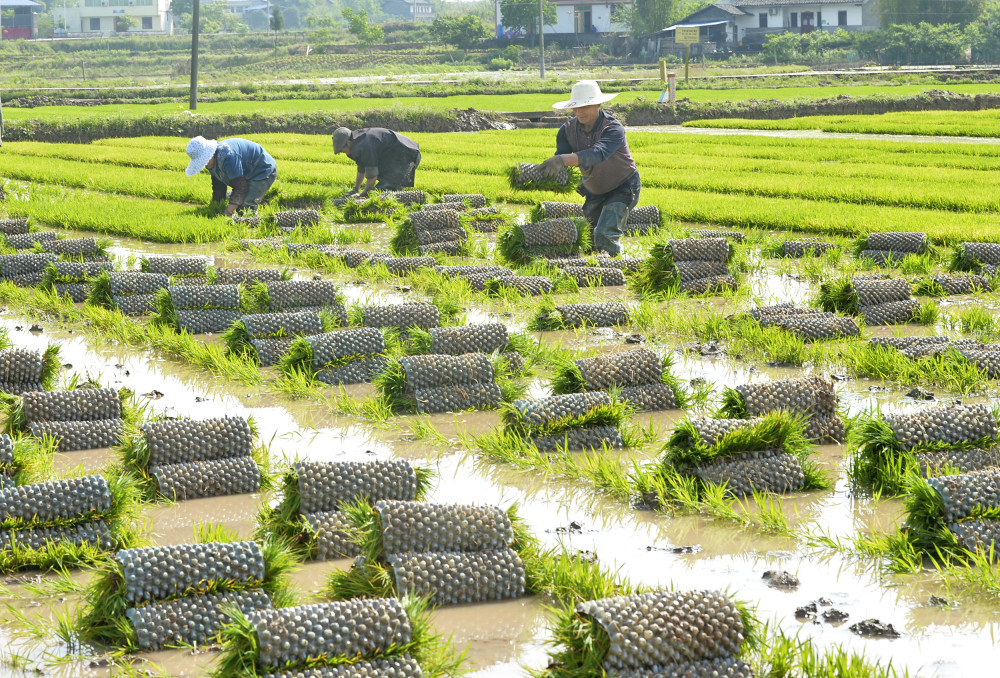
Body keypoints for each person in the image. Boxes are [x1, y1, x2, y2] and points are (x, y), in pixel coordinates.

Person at [539, 80, 639, 257]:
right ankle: (590, 273)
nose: (579, 112)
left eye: (585, 106)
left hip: (622, 186)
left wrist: (562, 159)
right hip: (594, 188)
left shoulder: (613, 128)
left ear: (598, 104)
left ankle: (614, 271)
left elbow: (598, 153)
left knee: (604, 234)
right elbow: (563, 165)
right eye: (576, 107)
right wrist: (547, 176)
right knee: (586, 238)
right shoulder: (567, 130)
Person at [184, 136, 277, 216]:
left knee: (244, 208)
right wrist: (216, 206)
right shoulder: (211, 162)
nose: (204, 164)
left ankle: (248, 228)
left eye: (205, 160)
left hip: (262, 169)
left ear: (210, 153)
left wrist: (228, 211)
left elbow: (240, 186)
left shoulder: (227, 155)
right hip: (246, 172)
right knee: (238, 203)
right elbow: (218, 184)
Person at [332, 127, 421, 197]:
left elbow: (372, 176)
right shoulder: (358, 142)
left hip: (406, 157)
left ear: (348, 143)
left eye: (342, 150)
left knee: (379, 193)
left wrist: (364, 194)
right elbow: (361, 169)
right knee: (382, 192)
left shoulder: (364, 146)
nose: (344, 153)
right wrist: (355, 189)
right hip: (396, 158)